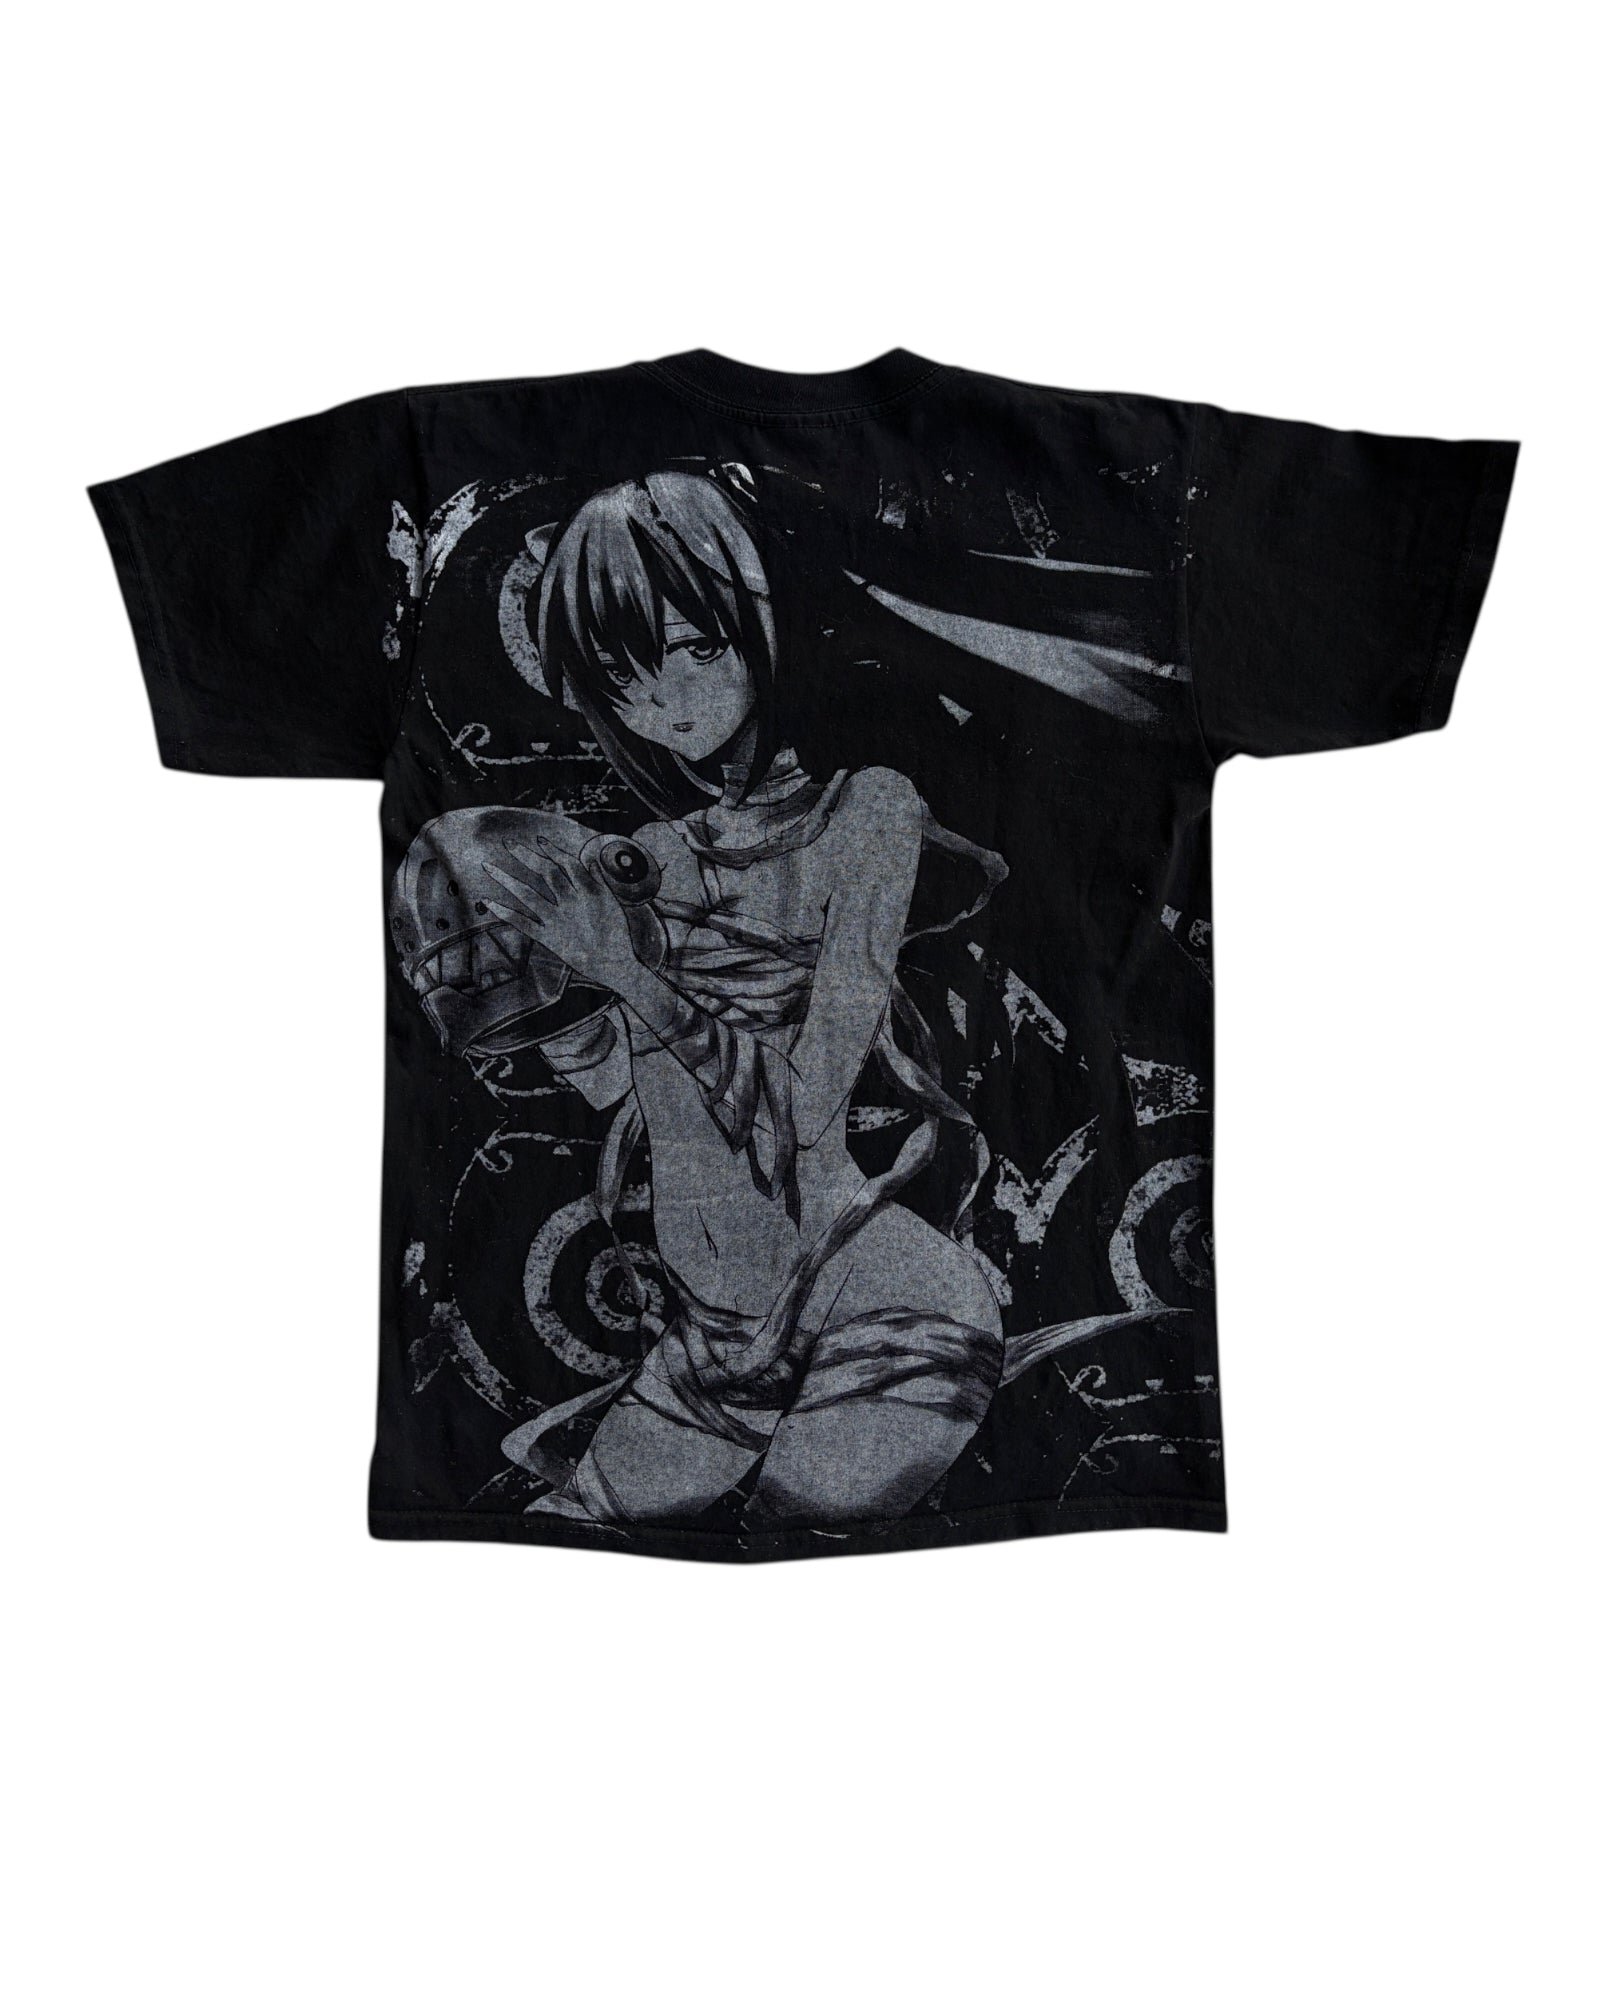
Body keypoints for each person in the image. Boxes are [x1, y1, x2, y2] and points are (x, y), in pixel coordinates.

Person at [483, 469, 1007, 1531]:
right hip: (713, 1341)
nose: (665, 700)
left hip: (878, 1311)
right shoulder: (649, 857)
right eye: (621, 676)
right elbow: (630, 1099)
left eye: (697, 647)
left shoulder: (866, 813)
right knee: (555, 1538)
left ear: (767, 624)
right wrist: (532, 991)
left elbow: (806, 1107)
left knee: (795, 1562)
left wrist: (629, 974)